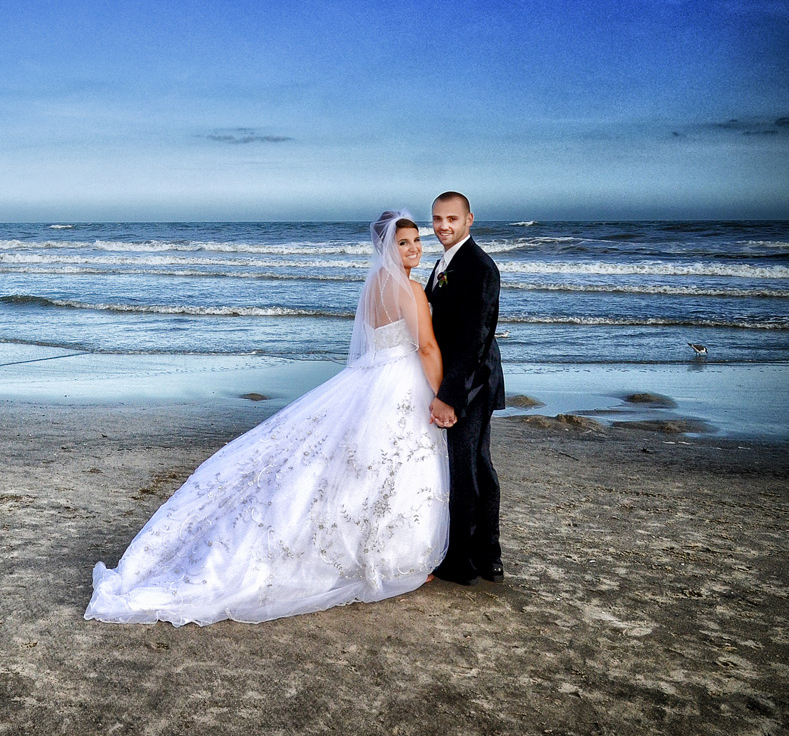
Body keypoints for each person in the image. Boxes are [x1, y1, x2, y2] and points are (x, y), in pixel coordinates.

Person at [84, 211, 448, 626]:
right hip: (401, 382)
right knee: (390, 468)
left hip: (370, 378)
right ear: (388, 246)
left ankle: (374, 554)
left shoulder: (372, 287)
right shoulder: (412, 289)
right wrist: (439, 397)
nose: (415, 248)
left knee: (359, 468)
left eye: (417, 240)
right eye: (404, 242)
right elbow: (428, 348)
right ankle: (391, 559)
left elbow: (373, 342)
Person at [425, 191, 505, 585]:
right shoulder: (446, 262)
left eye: (452, 219)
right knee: (477, 466)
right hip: (465, 377)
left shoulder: (478, 266)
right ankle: (487, 557)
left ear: (469, 219)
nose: (443, 226)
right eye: (438, 219)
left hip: (472, 381)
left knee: (468, 469)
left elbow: (474, 338)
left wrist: (449, 397)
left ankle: (463, 563)